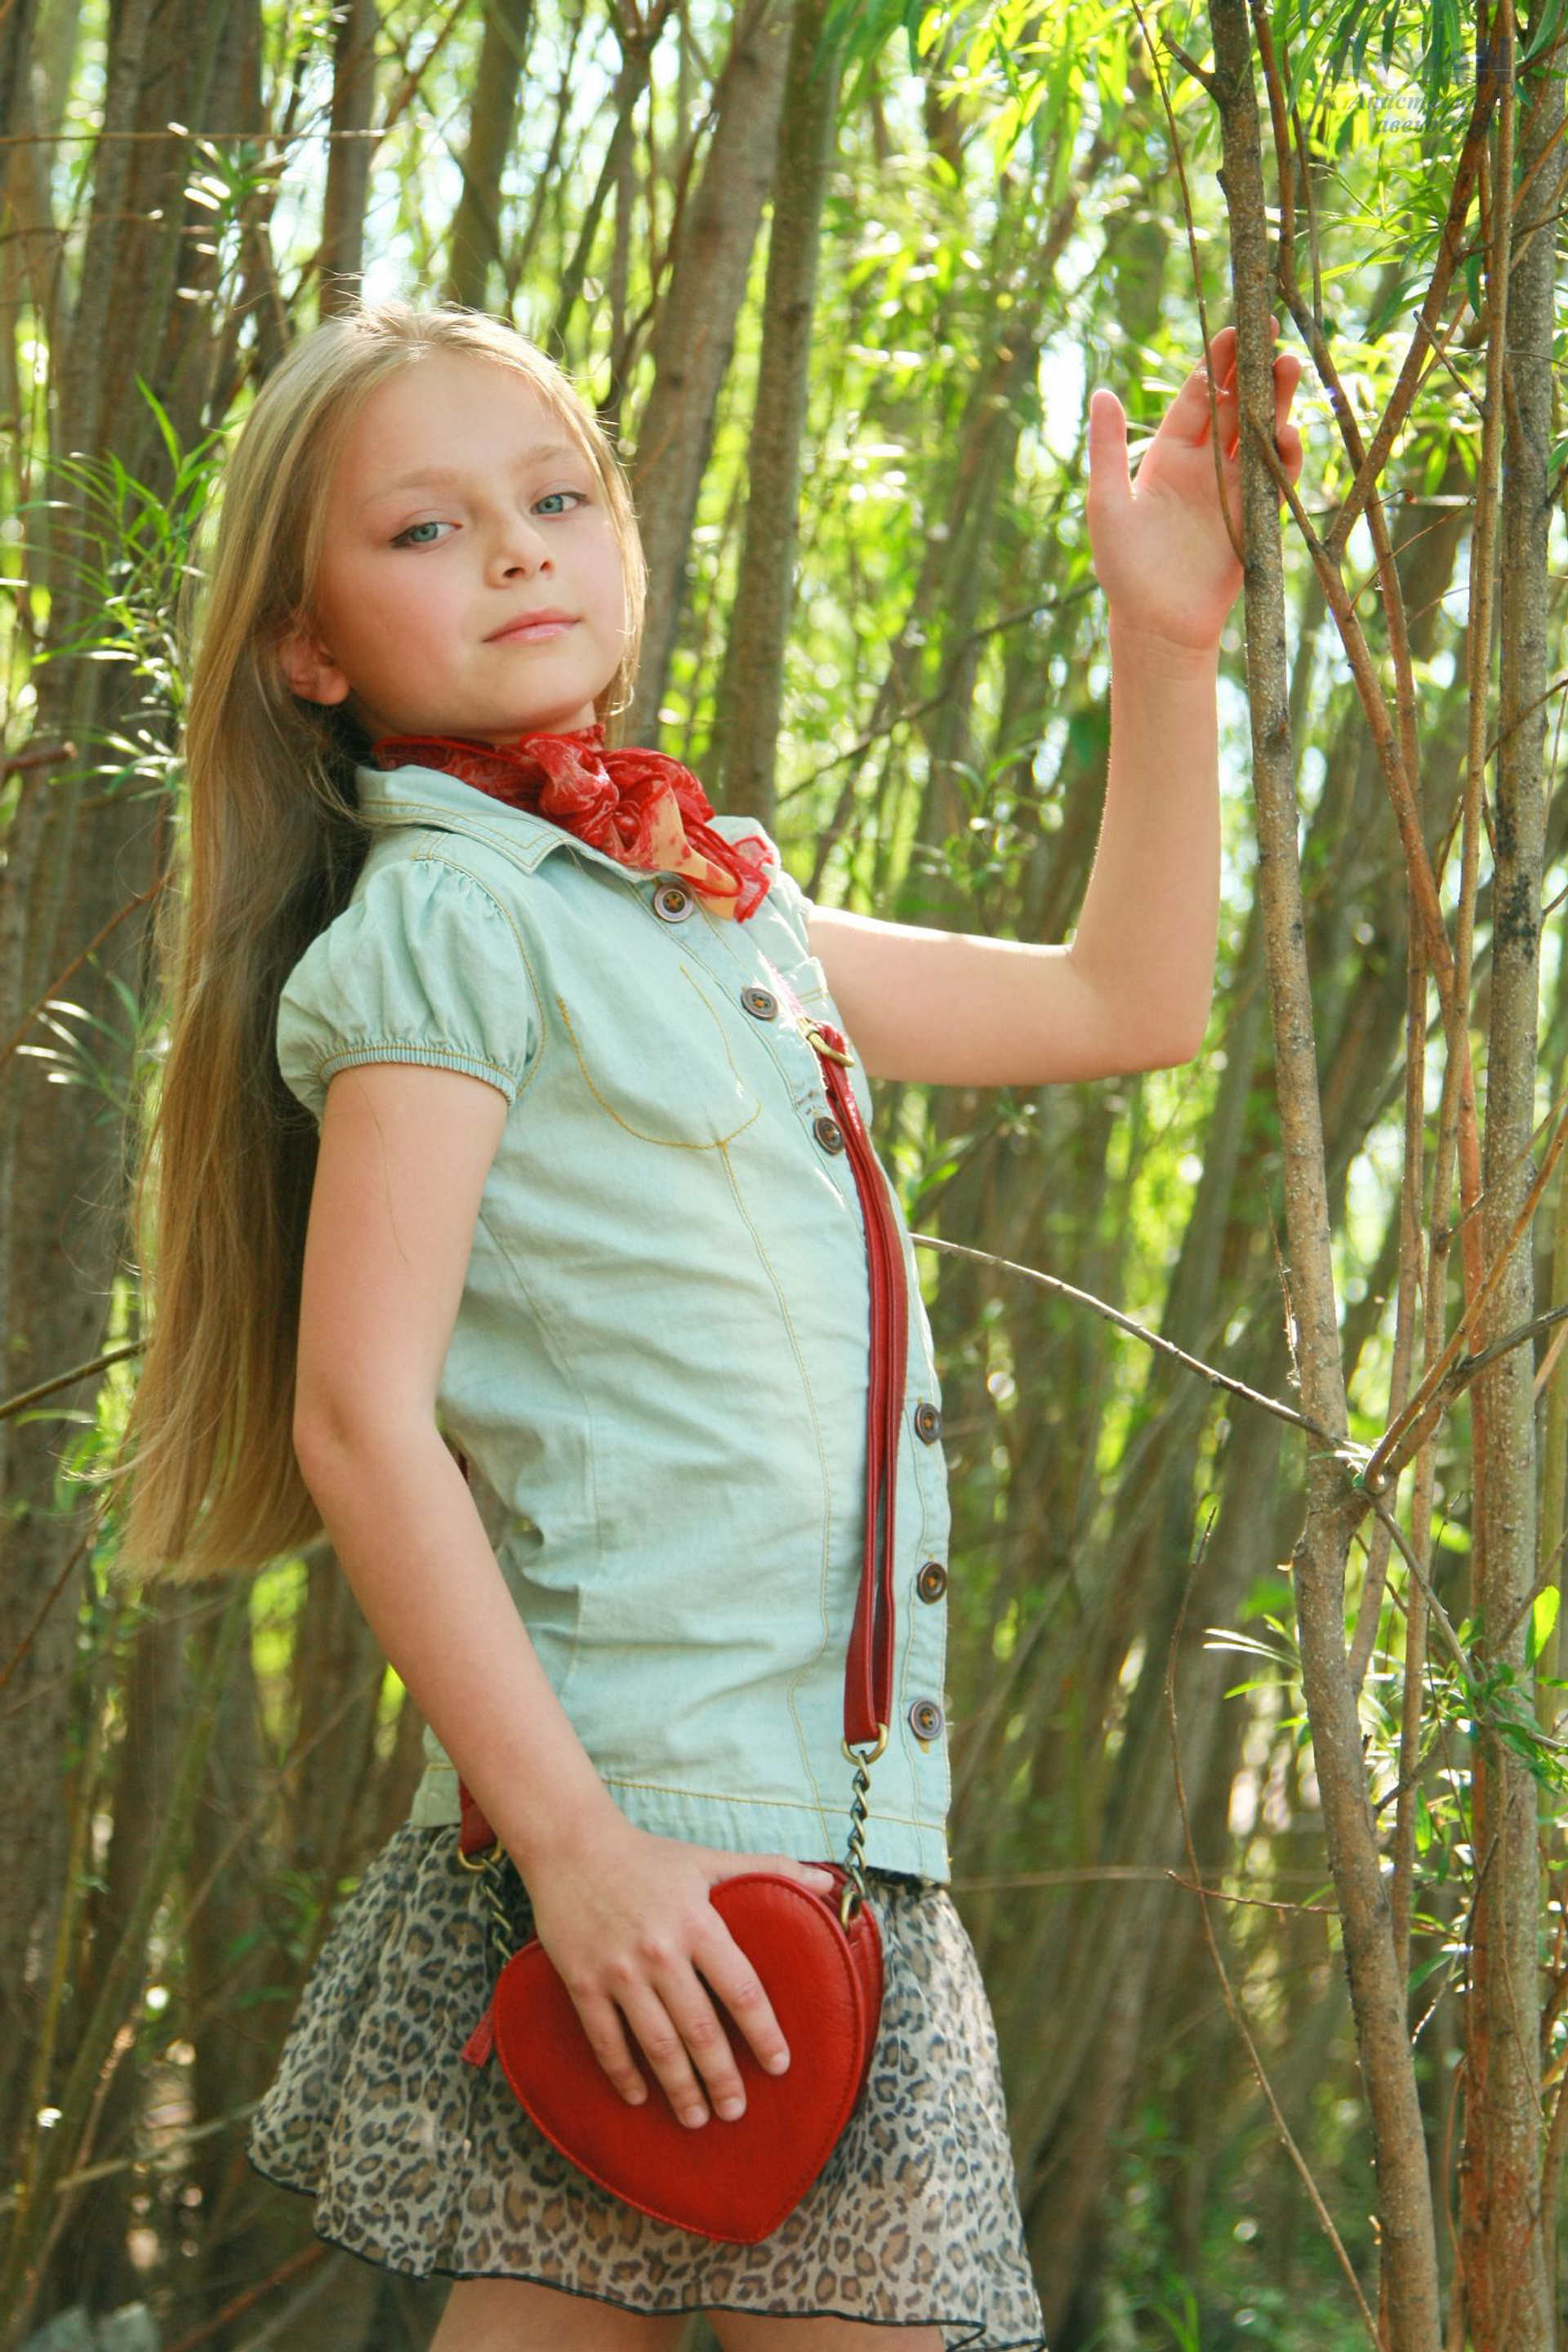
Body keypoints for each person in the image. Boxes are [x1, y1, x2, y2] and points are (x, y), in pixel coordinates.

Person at [112, 300, 1302, 2349]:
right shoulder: (454, 922)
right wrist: (577, 1856)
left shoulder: (722, 904)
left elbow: (1127, 1004)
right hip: (636, 1840)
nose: (516, 548)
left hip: (838, 1839)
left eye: (557, 497)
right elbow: (357, 1423)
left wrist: (1164, 642)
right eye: (423, 528)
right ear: (306, 646)